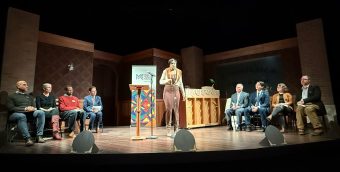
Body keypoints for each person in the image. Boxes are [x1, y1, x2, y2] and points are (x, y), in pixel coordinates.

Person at [6, 80, 46, 146]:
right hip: (14, 115)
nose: (27, 86)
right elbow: (11, 108)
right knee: (21, 116)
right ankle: (27, 139)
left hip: (28, 114)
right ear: (18, 86)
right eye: (24, 84)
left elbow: (34, 107)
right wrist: (25, 109)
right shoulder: (11, 96)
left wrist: (33, 108)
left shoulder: (30, 97)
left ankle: (39, 136)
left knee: (41, 112)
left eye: (26, 84)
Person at [159, 58, 185, 137]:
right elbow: (160, 81)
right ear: (169, 64)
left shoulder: (179, 71)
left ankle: (176, 129)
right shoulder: (165, 71)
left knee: (176, 110)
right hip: (168, 91)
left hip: (176, 90)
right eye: (172, 63)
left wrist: (183, 94)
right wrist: (167, 81)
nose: (174, 65)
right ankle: (168, 129)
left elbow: (181, 83)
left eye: (175, 63)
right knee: (169, 110)